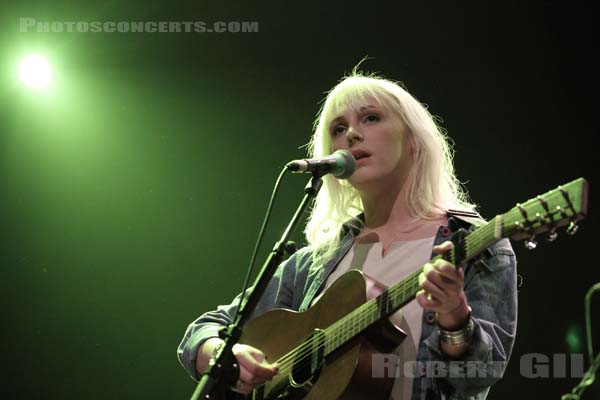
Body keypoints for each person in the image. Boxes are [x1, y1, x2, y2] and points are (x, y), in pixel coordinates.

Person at [177, 70, 518, 400]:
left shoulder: (474, 244)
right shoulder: (314, 262)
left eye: (370, 118)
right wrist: (223, 354)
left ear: (413, 139)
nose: (351, 135)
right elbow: (209, 327)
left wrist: (455, 317)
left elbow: (476, 378)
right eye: (339, 129)